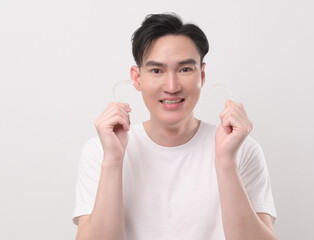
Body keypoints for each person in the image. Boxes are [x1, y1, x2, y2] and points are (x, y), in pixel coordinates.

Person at [73, 13, 277, 240]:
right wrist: (113, 160)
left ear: (202, 74)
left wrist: (226, 162)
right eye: (157, 71)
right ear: (137, 78)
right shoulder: (101, 152)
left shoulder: (243, 150)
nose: (171, 87)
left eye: (185, 69)